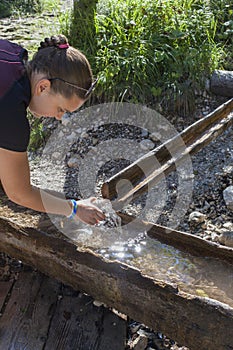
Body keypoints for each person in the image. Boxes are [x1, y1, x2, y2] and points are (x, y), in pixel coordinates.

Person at [0, 34, 105, 226]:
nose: (59, 117)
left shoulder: (13, 54)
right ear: (43, 87)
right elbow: (18, 193)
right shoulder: (10, 108)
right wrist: (73, 208)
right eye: (61, 109)